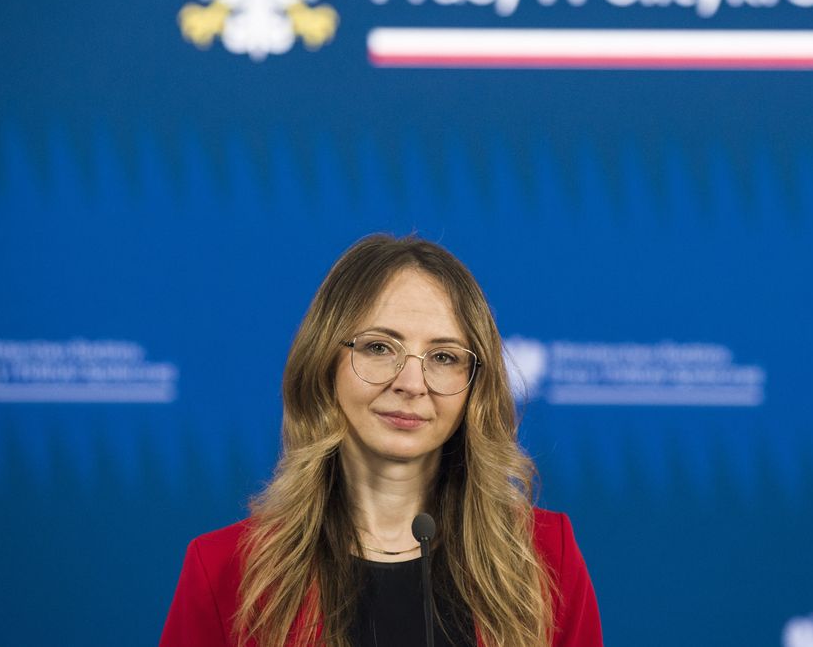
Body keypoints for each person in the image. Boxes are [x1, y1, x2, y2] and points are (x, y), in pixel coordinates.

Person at [161, 234, 602, 647]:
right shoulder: (224, 570)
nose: (411, 383)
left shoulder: (545, 556)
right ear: (324, 362)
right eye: (379, 348)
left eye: (443, 357)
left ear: (474, 385)